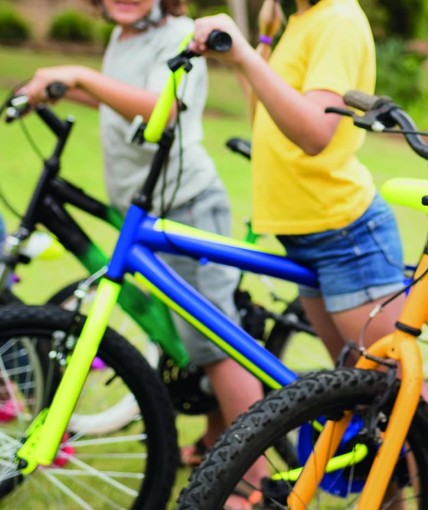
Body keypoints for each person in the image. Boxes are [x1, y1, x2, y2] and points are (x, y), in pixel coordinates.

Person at [19, 0, 264, 475]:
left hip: (188, 205)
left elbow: (163, 109)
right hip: (148, 207)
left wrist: (79, 75)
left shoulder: (180, 34)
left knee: (216, 344)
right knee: (187, 339)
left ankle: (255, 478)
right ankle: (218, 440)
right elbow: (125, 96)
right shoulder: (123, 35)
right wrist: (69, 90)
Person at [190, 0, 410, 505]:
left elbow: (314, 133)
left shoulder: (334, 18)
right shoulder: (301, 19)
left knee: (398, 400)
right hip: (311, 235)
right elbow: (270, 114)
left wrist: (246, 55)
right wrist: (261, 46)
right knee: (359, 394)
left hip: (344, 236)